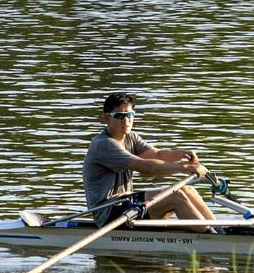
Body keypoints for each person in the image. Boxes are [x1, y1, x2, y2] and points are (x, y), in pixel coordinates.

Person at [82, 92, 216, 229]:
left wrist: (182, 154)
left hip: (125, 202)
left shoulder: (131, 137)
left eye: (129, 115)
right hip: (108, 212)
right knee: (176, 197)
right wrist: (184, 168)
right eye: (119, 116)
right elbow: (145, 166)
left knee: (188, 190)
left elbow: (157, 154)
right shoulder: (103, 144)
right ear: (106, 118)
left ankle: (219, 230)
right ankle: (212, 239)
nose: (126, 120)